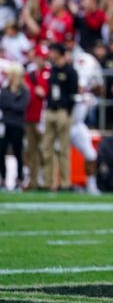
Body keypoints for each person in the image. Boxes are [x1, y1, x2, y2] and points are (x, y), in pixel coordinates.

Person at [41, 43, 79, 192]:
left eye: (53, 52)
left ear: (60, 53)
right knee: (46, 148)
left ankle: (65, 183)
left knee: (63, 149)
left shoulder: (70, 71)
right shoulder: (52, 70)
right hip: (50, 110)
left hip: (63, 111)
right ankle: (47, 182)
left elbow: (73, 94)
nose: (51, 54)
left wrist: (68, 112)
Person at [70, 45, 103, 195]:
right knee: (52, 152)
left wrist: (90, 91)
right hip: (63, 122)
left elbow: (100, 89)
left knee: (91, 154)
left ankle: (91, 186)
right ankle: (47, 182)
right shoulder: (66, 76)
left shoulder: (86, 76)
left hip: (77, 125)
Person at [23, 45, 50, 190]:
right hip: (30, 116)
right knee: (31, 151)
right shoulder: (30, 74)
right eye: (40, 57)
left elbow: (49, 93)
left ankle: (46, 180)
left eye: (44, 57)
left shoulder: (49, 73)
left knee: (45, 150)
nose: (42, 60)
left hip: (43, 116)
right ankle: (33, 181)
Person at [0, 63, 30, 189]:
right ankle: (3, 178)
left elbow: (21, 107)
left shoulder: (24, 90)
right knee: (1, 151)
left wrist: (9, 103)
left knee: (18, 152)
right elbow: (3, 103)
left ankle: (19, 178)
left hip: (17, 124)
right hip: (5, 124)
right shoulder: (5, 90)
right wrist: (13, 102)